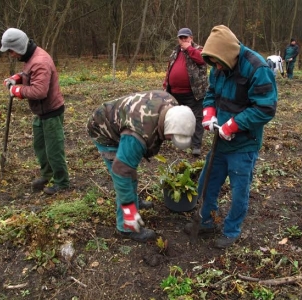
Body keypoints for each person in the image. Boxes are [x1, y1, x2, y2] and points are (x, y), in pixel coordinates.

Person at [183, 25, 278, 249]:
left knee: (239, 192)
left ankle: (231, 230)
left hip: (243, 145)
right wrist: (209, 113)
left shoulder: (257, 68)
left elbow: (265, 109)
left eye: (218, 63)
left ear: (228, 54)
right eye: (213, 63)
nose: (215, 67)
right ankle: (206, 220)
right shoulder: (219, 66)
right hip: (220, 141)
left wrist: (234, 125)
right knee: (207, 183)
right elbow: (211, 94)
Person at [87, 90, 196, 243]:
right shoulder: (138, 134)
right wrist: (129, 208)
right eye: (171, 138)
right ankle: (127, 226)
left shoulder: (173, 107)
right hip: (103, 129)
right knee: (125, 176)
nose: (171, 141)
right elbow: (120, 171)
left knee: (130, 169)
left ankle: (135, 201)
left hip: (123, 121)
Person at [0, 28, 69, 195]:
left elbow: (39, 91)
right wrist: (16, 78)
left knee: (53, 149)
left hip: (51, 112)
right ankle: (48, 174)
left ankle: (62, 182)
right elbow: (29, 74)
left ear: (19, 47)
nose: (11, 55)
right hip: (41, 112)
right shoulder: (31, 57)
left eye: (11, 51)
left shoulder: (40, 61)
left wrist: (17, 91)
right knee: (40, 146)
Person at [163, 28, 208, 157]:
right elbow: (169, 69)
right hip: (175, 92)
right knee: (177, 117)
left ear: (191, 38)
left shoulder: (199, 49)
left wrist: (189, 48)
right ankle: (180, 141)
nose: (183, 40)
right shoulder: (175, 52)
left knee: (197, 118)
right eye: (181, 38)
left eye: (186, 38)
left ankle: (196, 146)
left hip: (194, 92)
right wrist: (166, 84)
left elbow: (202, 60)